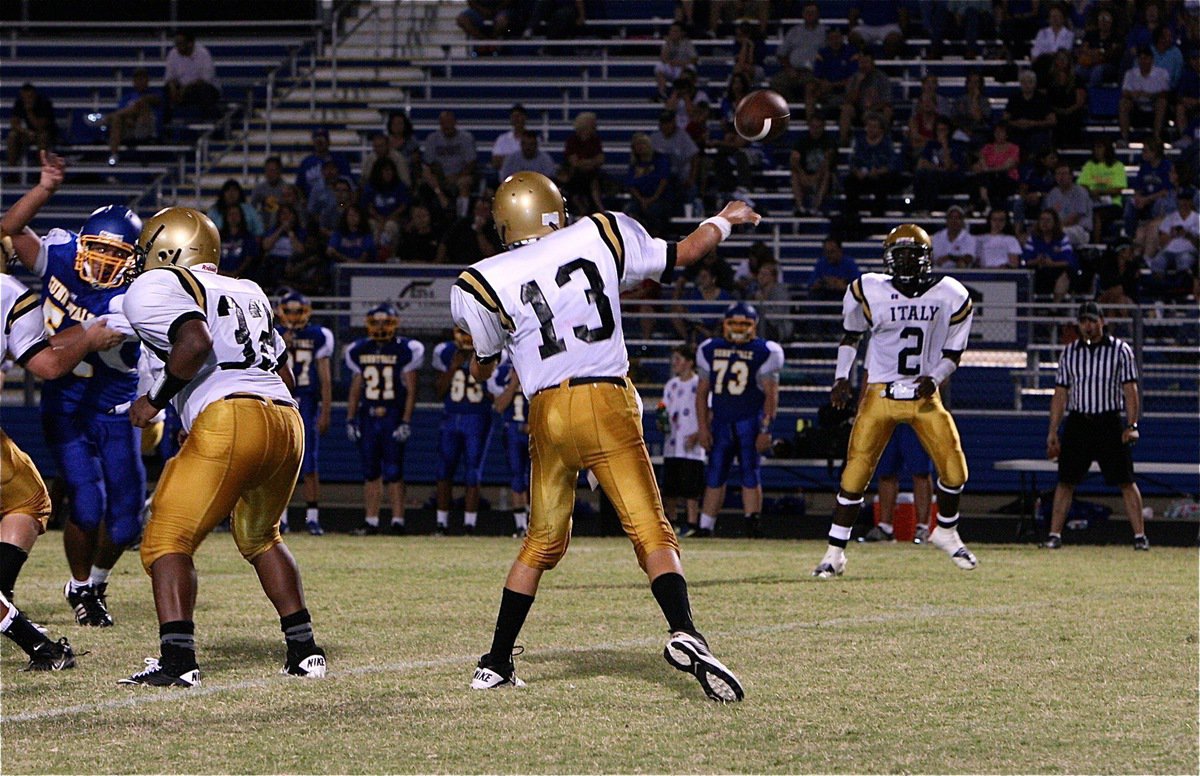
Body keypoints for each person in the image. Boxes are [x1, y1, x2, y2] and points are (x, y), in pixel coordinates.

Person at [451, 171, 756, 700]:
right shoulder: (599, 231)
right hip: (605, 399)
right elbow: (682, 254)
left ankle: (496, 661)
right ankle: (685, 630)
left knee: (541, 542)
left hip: (546, 412)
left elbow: (483, 365)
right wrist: (723, 221)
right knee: (651, 531)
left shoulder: (481, 278)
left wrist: (479, 350)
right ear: (553, 209)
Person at [116, 207, 326, 685]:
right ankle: (304, 649)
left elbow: (193, 342)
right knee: (260, 536)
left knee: (166, 539)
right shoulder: (247, 288)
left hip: (231, 415)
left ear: (168, 250)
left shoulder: (155, 285)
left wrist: (153, 402)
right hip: (286, 420)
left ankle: (178, 662)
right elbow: (283, 370)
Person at [1, 155, 145, 629]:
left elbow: (60, 346)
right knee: (85, 504)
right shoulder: (61, 252)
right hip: (65, 405)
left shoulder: (132, 301)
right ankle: (82, 589)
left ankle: (92, 583)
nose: (102, 265)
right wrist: (46, 187)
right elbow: (12, 229)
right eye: (96, 252)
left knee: (126, 522)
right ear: (81, 242)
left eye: (115, 257)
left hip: (113, 406)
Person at [815, 224, 978, 578]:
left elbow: (954, 353)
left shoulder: (951, 293)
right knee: (855, 473)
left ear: (927, 258)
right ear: (888, 258)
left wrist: (933, 378)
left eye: (912, 254)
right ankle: (834, 553)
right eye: (899, 254)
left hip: (923, 393)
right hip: (879, 392)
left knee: (955, 469)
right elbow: (851, 335)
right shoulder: (869, 288)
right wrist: (841, 377)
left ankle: (945, 531)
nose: (905, 261)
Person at [0, 257, 124, 671]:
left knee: (31, 496)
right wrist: (88, 341)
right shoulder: (8, 290)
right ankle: (40, 646)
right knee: (32, 500)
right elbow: (47, 364)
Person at [1045, 302, 1147, 551]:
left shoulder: (1120, 350)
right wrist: (1053, 430)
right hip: (1079, 421)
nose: (1088, 326)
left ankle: (1140, 536)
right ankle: (1054, 534)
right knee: (1066, 480)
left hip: (1108, 421)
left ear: (1102, 321)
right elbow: (1060, 394)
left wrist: (1132, 424)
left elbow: (1130, 390)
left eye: (1092, 320)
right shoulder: (1070, 353)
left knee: (1125, 480)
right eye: (1083, 321)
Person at [694, 303, 784, 539]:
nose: (738, 328)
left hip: (749, 421)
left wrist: (766, 429)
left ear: (754, 326)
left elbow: (771, 395)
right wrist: (702, 427)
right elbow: (702, 393)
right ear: (724, 324)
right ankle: (705, 526)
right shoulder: (710, 348)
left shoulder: (765, 350)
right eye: (733, 322)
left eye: (744, 323)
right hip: (721, 420)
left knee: (749, 472)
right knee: (715, 473)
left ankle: (752, 524)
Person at [345, 304, 423, 535]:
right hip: (368, 417)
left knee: (394, 471)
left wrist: (406, 420)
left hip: (392, 416)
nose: (380, 327)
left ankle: (398, 521)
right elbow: (356, 387)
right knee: (370, 471)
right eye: (376, 322)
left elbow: (411, 389)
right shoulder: (359, 349)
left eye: (385, 322)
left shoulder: (406, 348)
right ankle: (371, 520)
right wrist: (350, 418)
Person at [275, 292, 333, 536]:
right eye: (290, 310)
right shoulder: (273, 333)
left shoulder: (318, 335)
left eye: (299, 311)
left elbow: (325, 378)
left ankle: (312, 517)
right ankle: (281, 519)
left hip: (307, 402)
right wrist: (281, 347)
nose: (294, 316)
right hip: (279, 401)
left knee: (310, 464)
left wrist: (326, 411)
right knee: (279, 465)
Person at [432, 327, 494, 535]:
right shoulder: (445, 351)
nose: (467, 337)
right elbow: (439, 391)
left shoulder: (490, 349)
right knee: (443, 471)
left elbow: (495, 392)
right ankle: (441, 523)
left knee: (473, 472)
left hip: (477, 417)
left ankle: (469, 524)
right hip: (451, 415)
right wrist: (453, 367)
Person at [658, 345, 707, 537]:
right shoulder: (671, 385)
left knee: (690, 487)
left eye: (678, 359)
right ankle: (671, 522)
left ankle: (691, 523)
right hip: (672, 443)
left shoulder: (699, 384)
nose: (675, 363)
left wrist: (699, 433)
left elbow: (707, 410)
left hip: (691, 444)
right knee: (670, 487)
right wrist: (662, 421)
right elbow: (665, 409)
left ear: (689, 362)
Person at [860, 425, 934, 545]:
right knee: (885, 472)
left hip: (915, 417)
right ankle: (885, 528)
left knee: (921, 472)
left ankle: (923, 528)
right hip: (888, 418)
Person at [486, 360, 532, 538]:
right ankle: (521, 526)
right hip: (512, 430)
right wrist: (514, 383)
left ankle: (536, 525)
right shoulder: (502, 372)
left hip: (534, 429)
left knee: (536, 479)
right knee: (517, 477)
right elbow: (499, 406)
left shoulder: (538, 365)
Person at [96, 68, 162, 166]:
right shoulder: (126, 98)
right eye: (137, 80)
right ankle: (114, 154)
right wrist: (128, 119)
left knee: (140, 103)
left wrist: (136, 107)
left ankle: (106, 118)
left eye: (142, 79)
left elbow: (152, 101)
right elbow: (123, 116)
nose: (140, 82)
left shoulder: (156, 94)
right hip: (128, 129)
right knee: (117, 119)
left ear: (147, 81)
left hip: (146, 128)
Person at [843, 112, 901, 218]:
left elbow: (893, 164)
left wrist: (878, 171)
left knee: (884, 182)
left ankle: (877, 216)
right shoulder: (860, 142)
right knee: (850, 182)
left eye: (874, 127)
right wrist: (857, 171)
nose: (870, 129)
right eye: (869, 126)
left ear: (881, 129)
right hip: (863, 177)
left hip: (880, 178)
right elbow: (852, 161)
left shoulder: (887, 143)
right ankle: (851, 216)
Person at [769, 1, 825, 102]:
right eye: (807, 12)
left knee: (811, 85)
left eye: (813, 12)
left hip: (813, 72)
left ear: (818, 14)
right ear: (803, 14)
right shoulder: (794, 31)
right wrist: (789, 68)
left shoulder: (824, 32)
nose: (810, 15)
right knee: (775, 83)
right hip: (793, 70)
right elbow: (781, 53)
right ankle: (791, 105)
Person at [838, 51, 894, 146]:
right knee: (846, 109)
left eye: (866, 62)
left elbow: (887, 101)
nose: (864, 65)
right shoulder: (854, 78)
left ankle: (884, 140)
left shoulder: (882, 78)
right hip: (859, 111)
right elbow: (849, 101)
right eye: (861, 62)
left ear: (872, 64)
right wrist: (858, 84)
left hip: (876, 111)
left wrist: (871, 109)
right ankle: (843, 140)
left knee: (888, 111)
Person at [1119, 46, 1170, 144]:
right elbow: (1125, 92)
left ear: (1151, 59)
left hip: (1154, 105)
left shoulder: (1162, 73)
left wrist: (1150, 95)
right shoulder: (1130, 74)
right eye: (1140, 58)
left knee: (1162, 102)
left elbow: (1165, 93)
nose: (1143, 61)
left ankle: (1156, 135)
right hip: (1136, 107)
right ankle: (1124, 137)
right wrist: (1133, 94)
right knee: (1123, 103)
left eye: (1146, 58)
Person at [163, 30, 220, 119]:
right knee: (165, 91)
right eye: (176, 43)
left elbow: (205, 79)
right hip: (181, 89)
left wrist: (184, 89)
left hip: (200, 88)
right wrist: (173, 89)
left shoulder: (203, 54)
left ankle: (210, 122)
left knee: (204, 91)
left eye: (180, 43)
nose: (177, 47)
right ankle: (167, 125)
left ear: (190, 44)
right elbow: (169, 77)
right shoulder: (173, 53)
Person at [1023, 208, 1077, 300]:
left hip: (1057, 271)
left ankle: (1055, 309)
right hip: (1038, 272)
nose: (1044, 223)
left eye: (1048, 220)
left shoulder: (1062, 239)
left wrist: (1052, 263)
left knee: (1065, 275)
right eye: (1042, 220)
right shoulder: (1032, 239)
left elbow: (1068, 261)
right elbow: (1025, 260)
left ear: (1055, 222)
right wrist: (1037, 261)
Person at [559, 111, 605, 215]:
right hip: (575, 174)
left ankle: (597, 206)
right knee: (581, 179)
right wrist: (590, 162)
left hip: (592, 173)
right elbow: (574, 162)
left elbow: (600, 159)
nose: (595, 127)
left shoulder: (595, 140)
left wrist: (585, 162)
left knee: (594, 179)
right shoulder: (572, 141)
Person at [790, 115, 838, 215]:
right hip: (805, 175)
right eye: (813, 127)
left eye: (818, 127)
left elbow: (827, 160)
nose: (816, 130)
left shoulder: (829, 141)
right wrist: (803, 174)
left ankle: (816, 207)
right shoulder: (802, 140)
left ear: (823, 127)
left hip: (823, 176)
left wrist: (815, 177)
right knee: (794, 173)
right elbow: (794, 158)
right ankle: (800, 207)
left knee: (827, 173)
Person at [971, 122, 1020, 212]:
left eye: (1001, 132)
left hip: (1007, 178)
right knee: (980, 177)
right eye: (996, 132)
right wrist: (981, 167)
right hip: (988, 178)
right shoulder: (987, 147)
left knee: (990, 176)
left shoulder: (1013, 148)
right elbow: (981, 162)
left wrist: (989, 169)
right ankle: (984, 200)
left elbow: (1008, 166)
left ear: (1007, 134)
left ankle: (984, 202)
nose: (998, 134)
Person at [7, 83, 59, 168]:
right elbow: (14, 123)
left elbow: (40, 126)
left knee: (43, 137)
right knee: (12, 136)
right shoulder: (19, 103)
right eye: (24, 97)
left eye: (29, 97)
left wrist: (29, 112)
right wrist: (26, 132)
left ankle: (42, 170)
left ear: (34, 95)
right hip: (28, 133)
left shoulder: (44, 103)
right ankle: (11, 170)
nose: (27, 100)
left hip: (46, 133)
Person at [1043, 162, 1093, 247]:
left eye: (1064, 174)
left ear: (1071, 176)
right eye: (1058, 174)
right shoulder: (1053, 193)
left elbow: (1075, 218)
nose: (1061, 177)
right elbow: (1048, 215)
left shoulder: (1080, 192)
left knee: (1056, 234)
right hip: (1057, 228)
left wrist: (1053, 227)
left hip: (1079, 230)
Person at [422, 111, 477, 185]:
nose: (446, 126)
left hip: (461, 176)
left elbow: (471, 163)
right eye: (443, 123)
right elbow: (429, 162)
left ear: (455, 123)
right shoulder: (432, 139)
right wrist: (443, 177)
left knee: (465, 181)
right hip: (439, 177)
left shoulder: (466, 138)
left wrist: (457, 176)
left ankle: (463, 197)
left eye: (449, 122)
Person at [296, 128, 352, 199]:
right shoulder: (306, 162)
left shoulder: (339, 160)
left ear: (328, 142)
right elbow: (299, 186)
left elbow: (349, 183)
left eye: (322, 140)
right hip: (312, 204)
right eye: (317, 140)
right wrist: (304, 201)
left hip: (337, 203)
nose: (319, 143)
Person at [654, 22, 698, 101]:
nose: (672, 33)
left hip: (682, 67)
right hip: (672, 67)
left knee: (690, 68)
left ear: (682, 33)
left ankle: (681, 94)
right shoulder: (667, 43)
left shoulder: (687, 43)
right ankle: (662, 93)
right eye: (671, 31)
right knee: (659, 66)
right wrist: (667, 44)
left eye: (675, 31)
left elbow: (694, 59)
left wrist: (681, 63)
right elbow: (663, 58)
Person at [809, 234, 860, 301]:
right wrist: (824, 283)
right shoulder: (821, 263)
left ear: (840, 251)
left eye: (832, 252)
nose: (829, 255)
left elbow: (857, 287)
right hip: (824, 298)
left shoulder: (849, 264)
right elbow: (812, 285)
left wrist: (840, 285)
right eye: (826, 252)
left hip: (843, 298)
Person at [250, 156, 287, 229]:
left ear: (279, 171)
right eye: (268, 170)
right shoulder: (258, 189)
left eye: (273, 170)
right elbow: (252, 209)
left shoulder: (286, 189)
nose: (270, 174)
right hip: (262, 226)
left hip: (281, 227)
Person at [490, 104, 528, 172]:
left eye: (519, 116)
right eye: (514, 116)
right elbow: (496, 162)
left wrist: (507, 159)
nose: (516, 119)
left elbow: (535, 161)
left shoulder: (533, 139)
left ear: (524, 118)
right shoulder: (502, 139)